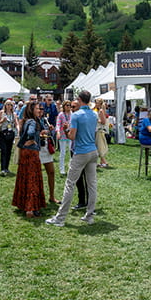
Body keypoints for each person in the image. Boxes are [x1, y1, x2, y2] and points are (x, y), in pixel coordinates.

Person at [46, 90, 98, 227]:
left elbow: (72, 137)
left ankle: (60, 218)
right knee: (92, 185)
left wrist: (66, 130)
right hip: (93, 151)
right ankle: (89, 215)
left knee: (70, 184)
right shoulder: (94, 114)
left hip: (81, 152)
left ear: (80, 100)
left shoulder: (76, 115)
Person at [13, 101, 47, 218]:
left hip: (24, 151)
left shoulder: (26, 120)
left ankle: (23, 205)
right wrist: (32, 139)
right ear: (32, 110)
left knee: (25, 177)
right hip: (31, 152)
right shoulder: (32, 121)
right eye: (38, 108)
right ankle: (30, 209)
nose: (40, 110)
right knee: (33, 179)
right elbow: (30, 133)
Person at [0, 99, 19, 176]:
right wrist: (2, 120)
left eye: (10, 105)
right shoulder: (2, 113)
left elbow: (16, 123)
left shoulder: (14, 114)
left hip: (10, 133)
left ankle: (6, 168)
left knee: (8, 151)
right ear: (5, 105)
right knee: (3, 151)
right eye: (7, 105)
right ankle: (2, 168)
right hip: (3, 133)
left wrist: (18, 129)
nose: (9, 106)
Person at [56, 100, 72, 176]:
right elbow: (58, 124)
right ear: (64, 106)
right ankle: (62, 169)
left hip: (70, 134)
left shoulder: (72, 114)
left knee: (71, 151)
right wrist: (58, 132)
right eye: (67, 105)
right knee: (62, 152)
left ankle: (70, 167)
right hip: (62, 135)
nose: (68, 107)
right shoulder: (61, 114)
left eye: (69, 105)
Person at [94, 99, 110, 168]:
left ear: (99, 104)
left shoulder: (100, 111)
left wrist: (97, 120)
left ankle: (104, 162)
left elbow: (103, 122)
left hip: (99, 130)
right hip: (98, 130)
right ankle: (101, 162)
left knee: (99, 146)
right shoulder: (99, 110)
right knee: (98, 146)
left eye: (96, 103)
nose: (95, 104)